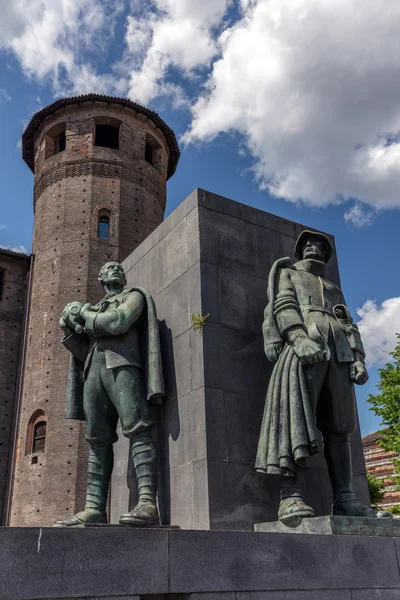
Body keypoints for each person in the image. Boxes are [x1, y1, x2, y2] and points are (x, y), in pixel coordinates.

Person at [256, 230, 390, 524]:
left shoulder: (333, 288)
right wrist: (298, 337)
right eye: (307, 244)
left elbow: (347, 322)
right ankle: (290, 496)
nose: (312, 247)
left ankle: (345, 498)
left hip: (339, 356)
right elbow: (284, 305)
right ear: (300, 250)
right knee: (294, 418)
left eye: (319, 245)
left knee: (340, 428)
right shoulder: (288, 275)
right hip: (304, 347)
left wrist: (358, 358)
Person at [54, 261, 164, 527]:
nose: (114, 269)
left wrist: (83, 314)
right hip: (93, 373)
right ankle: (94, 508)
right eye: (108, 268)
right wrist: (68, 329)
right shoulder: (96, 307)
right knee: (97, 441)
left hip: (124, 365)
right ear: (100, 278)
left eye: (118, 267)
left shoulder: (134, 296)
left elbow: (119, 322)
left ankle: (147, 502)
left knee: (138, 429)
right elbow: (85, 352)